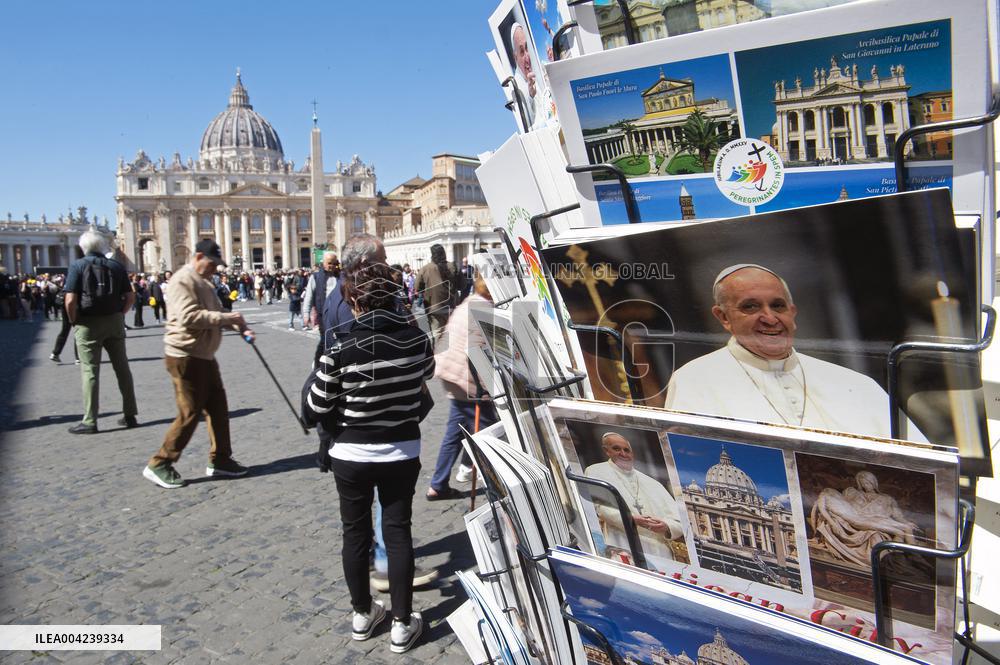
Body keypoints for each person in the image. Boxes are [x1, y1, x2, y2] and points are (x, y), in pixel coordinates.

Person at [303, 261, 435, 653]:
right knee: (398, 532)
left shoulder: (340, 344)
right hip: (401, 449)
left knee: (355, 533)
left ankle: (362, 613)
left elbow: (317, 404)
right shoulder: (417, 339)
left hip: (352, 452)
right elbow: (425, 374)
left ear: (354, 301)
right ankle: (401, 623)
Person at [664, 264, 924, 440]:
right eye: (750, 307)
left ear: (793, 313)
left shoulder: (856, 384)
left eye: (778, 306)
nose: (769, 318)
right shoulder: (695, 380)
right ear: (723, 317)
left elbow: (922, 465)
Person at [319, 234, 437, 594]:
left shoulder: (339, 297)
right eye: (383, 259)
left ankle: (369, 595)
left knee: (358, 527)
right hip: (377, 428)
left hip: (354, 430)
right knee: (386, 523)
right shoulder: (356, 304)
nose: (387, 265)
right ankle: (385, 565)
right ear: (365, 264)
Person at [142, 239, 254, 489]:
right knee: (190, 411)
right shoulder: (183, 280)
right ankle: (160, 462)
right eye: (212, 264)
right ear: (199, 256)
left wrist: (240, 327)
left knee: (218, 408)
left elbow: (216, 312)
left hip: (204, 356)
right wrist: (227, 317)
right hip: (185, 355)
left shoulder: (204, 282)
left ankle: (221, 459)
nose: (215, 269)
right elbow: (189, 317)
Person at [427, 273, 498, 500]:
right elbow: (478, 350)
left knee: (455, 430)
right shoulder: (484, 309)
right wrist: (485, 390)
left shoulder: (468, 302)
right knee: (489, 435)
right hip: (466, 379)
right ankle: (496, 487)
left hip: (451, 372)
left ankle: (438, 484)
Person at [63, 227, 139, 434]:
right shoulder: (116, 266)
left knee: (90, 371)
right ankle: (130, 414)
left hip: (87, 323)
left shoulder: (78, 266)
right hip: (114, 321)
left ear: (83, 247)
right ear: (103, 245)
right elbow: (130, 297)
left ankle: (90, 421)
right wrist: (120, 314)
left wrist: (74, 320)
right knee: (122, 368)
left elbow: (70, 300)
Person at [584, 432, 684, 564]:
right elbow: (601, 508)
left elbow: (679, 520)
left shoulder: (652, 483)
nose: (623, 453)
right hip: (622, 543)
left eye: (627, 450)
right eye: (616, 448)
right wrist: (631, 519)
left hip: (660, 551)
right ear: (606, 451)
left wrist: (666, 526)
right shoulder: (596, 471)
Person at [810, 470, 921, 568]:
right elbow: (840, 506)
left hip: (879, 519)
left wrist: (906, 521)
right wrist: (832, 520)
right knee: (881, 534)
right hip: (861, 521)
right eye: (862, 483)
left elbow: (897, 515)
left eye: (867, 483)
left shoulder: (887, 498)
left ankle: (913, 557)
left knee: (906, 528)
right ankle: (902, 559)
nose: (865, 485)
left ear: (874, 483)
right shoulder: (851, 492)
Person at [414, 244, 460, 342]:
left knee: (437, 336)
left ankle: (439, 351)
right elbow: (462, 285)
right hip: (451, 306)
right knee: (452, 335)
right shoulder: (452, 266)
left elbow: (417, 288)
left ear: (432, 254)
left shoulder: (425, 269)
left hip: (434, 308)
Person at [303, 252, 341, 333]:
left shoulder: (340, 276)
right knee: (325, 337)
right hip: (323, 314)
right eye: (329, 263)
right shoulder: (315, 277)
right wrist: (306, 314)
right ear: (323, 263)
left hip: (338, 314)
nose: (332, 266)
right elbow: (309, 296)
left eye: (334, 263)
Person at [509, 22, 537, 128]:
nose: (527, 57)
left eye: (526, 48)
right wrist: (530, 97)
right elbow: (526, 127)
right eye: (521, 51)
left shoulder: (531, 75)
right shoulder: (515, 87)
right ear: (515, 57)